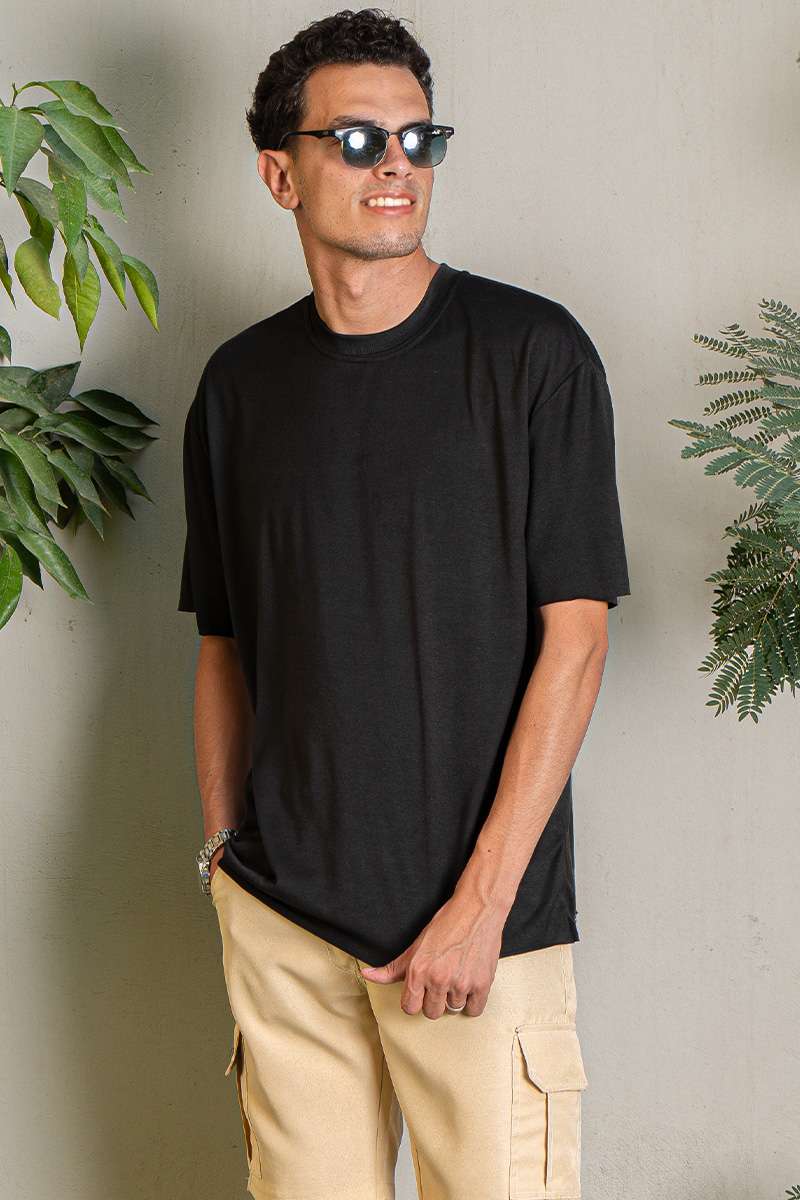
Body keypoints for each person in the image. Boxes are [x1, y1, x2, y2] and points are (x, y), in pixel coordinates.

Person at [178, 8, 631, 1199]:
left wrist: (479, 905)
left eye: (418, 139)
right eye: (358, 139)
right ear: (279, 173)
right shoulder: (237, 388)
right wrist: (226, 862)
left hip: (477, 930)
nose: (396, 165)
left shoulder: (532, 355)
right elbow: (224, 642)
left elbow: (576, 643)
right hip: (285, 925)